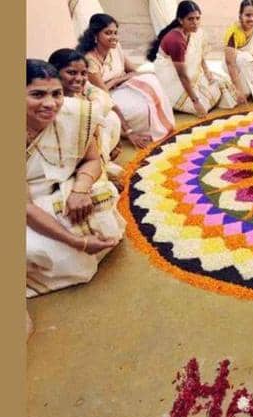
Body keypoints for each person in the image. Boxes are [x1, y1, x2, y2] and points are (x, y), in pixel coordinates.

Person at [26, 59, 125, 297]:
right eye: (37, 95)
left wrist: (80, 189)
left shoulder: (73, 113)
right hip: (28, 203)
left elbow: (92, 160)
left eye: (56, 94)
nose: (50, 104)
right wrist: (79, 242)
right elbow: (25, 207)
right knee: (33, 250)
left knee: (103, 195)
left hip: (62, 187)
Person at [77, 13, 175, 148]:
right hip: (104, 98)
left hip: (121, 87)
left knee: (151, 78)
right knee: (141, 108)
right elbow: (105, 97)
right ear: (95, 35)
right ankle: (126, 131)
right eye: (108, 33)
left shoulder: (115, 47)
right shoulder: (90, 60)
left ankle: (159, 126)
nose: (114, 37)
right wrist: (129, 132)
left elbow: (133, 71)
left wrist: (119, 80)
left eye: (115, 33)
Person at [149, 0, 237, 117]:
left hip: (190, 74)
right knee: (204, 104)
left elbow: (199, 54)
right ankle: (174, 101)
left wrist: (207, 72)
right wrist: (196, 102)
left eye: (197, 18)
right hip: (172, 79)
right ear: (181, 20)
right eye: (190, 19)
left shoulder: (196, 32)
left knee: (223, 83)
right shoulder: (176, 40)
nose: (195, 22)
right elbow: (182, 75)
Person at [48, 48, 125, 178]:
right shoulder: (51, 101)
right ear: (54, 73)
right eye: (71, 72)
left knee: (109, 117)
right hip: (60, 157)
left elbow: (105, 99)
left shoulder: (83, 90)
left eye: (83, 73)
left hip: (89, 150)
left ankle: (101, 161)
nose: (79, 78)